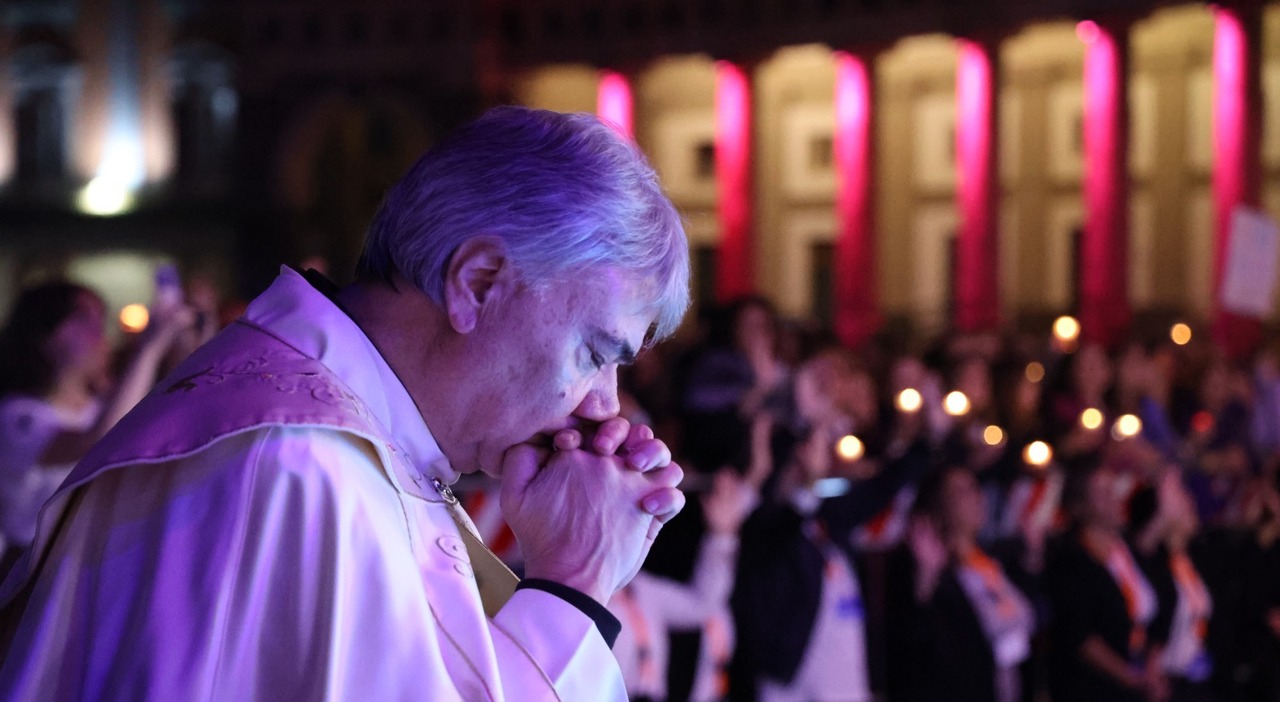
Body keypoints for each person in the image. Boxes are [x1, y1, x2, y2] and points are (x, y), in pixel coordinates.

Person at [0, 106, 690, 700]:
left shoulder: (341, 440)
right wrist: (573, 583)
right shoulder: (293, 465)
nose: (605, 408)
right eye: (596, 355)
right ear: (478, 285)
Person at [0, 282, 193, 573]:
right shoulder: (17, 416)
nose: (99, 331)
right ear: (45, 335)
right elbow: (101, 442)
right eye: (84, 318)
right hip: (31, 577)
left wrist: (190, 345)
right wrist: (151, 348)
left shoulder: (100, 407)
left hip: (93, 566)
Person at [887, 466, 1036, 702]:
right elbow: (907, 645)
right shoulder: (922, 564)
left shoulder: (990, 562)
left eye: (975, 488)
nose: (976, 498)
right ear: (938, 504)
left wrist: (1032, 560)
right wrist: (925, 579)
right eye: (961, 491)